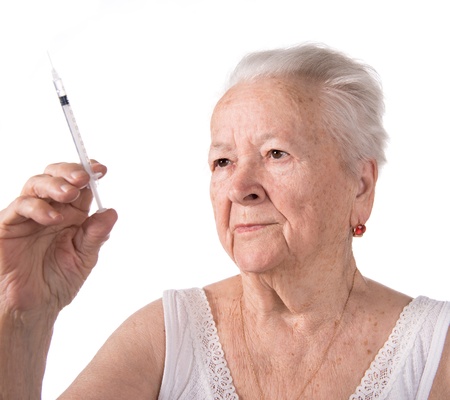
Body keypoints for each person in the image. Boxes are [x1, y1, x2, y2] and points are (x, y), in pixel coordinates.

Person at [0, 43, 449, 400]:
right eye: (223, 161)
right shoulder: (165, 338)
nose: (240, 187)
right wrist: (24, 316)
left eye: (276, 154)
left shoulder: (435, 350)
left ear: (361, 185)